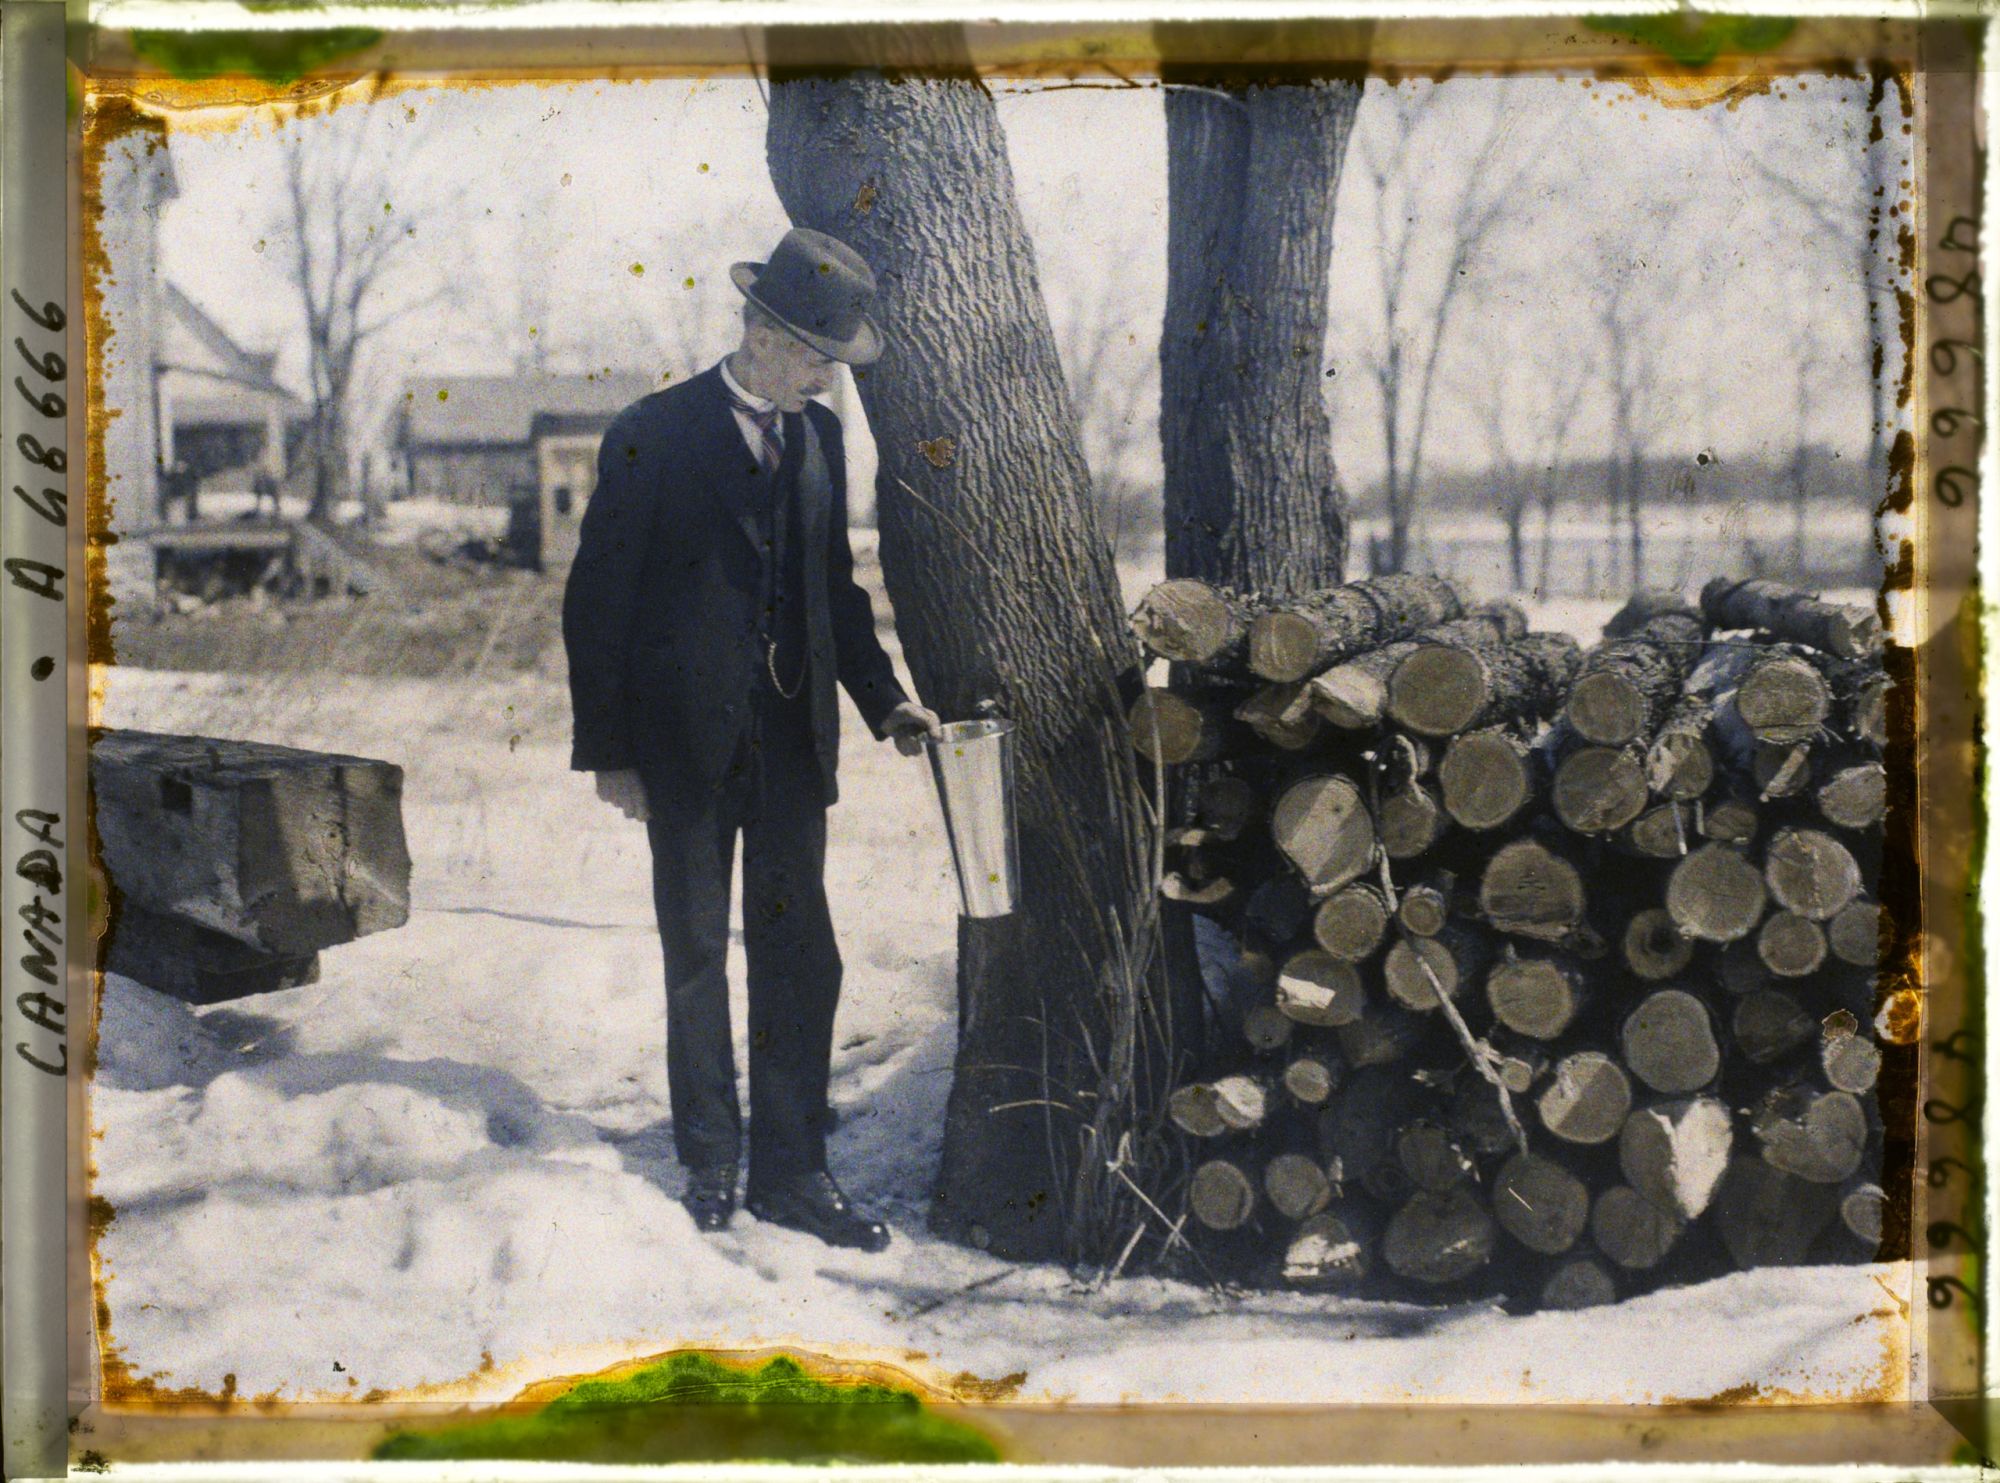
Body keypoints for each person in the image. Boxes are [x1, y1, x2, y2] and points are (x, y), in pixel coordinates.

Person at [562, 227, 940, 1252]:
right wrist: (611, 751)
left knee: (799, 955)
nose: (826, 377)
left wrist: (883, 698)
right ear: (763, 334)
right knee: (695, 955)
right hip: (680, 745)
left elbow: (833, 589)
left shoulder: (819, 439)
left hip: (788, 744)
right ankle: (711, 1161)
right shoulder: (652, 429)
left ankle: (790, 1168)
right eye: (817, 355)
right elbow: (597, 598)